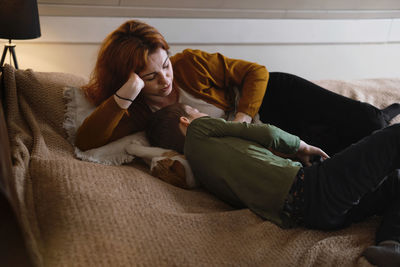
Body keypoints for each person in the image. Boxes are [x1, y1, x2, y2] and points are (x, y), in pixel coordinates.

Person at [75, 19, 400, 156]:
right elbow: (87, 141)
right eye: (150, 78)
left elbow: (256, 72)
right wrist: (126, 92)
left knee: (368, 123)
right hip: (271, 132)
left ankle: (382, 115)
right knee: (346, 151)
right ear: (129, 82)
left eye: (165, 65)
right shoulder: (138, 112)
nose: (165, 79)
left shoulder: (189, 64)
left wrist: (241, 119)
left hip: (275, 97)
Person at [146, 102, 400, 267]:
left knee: (395, 183)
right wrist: (302, 146)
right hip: (314, 187)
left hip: (311, 215)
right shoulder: (199, 130)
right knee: (393, 137)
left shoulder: (200, 170)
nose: (202, 114)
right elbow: (264, 133)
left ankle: (389, 248)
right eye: (195, 110)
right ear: (186, 121)